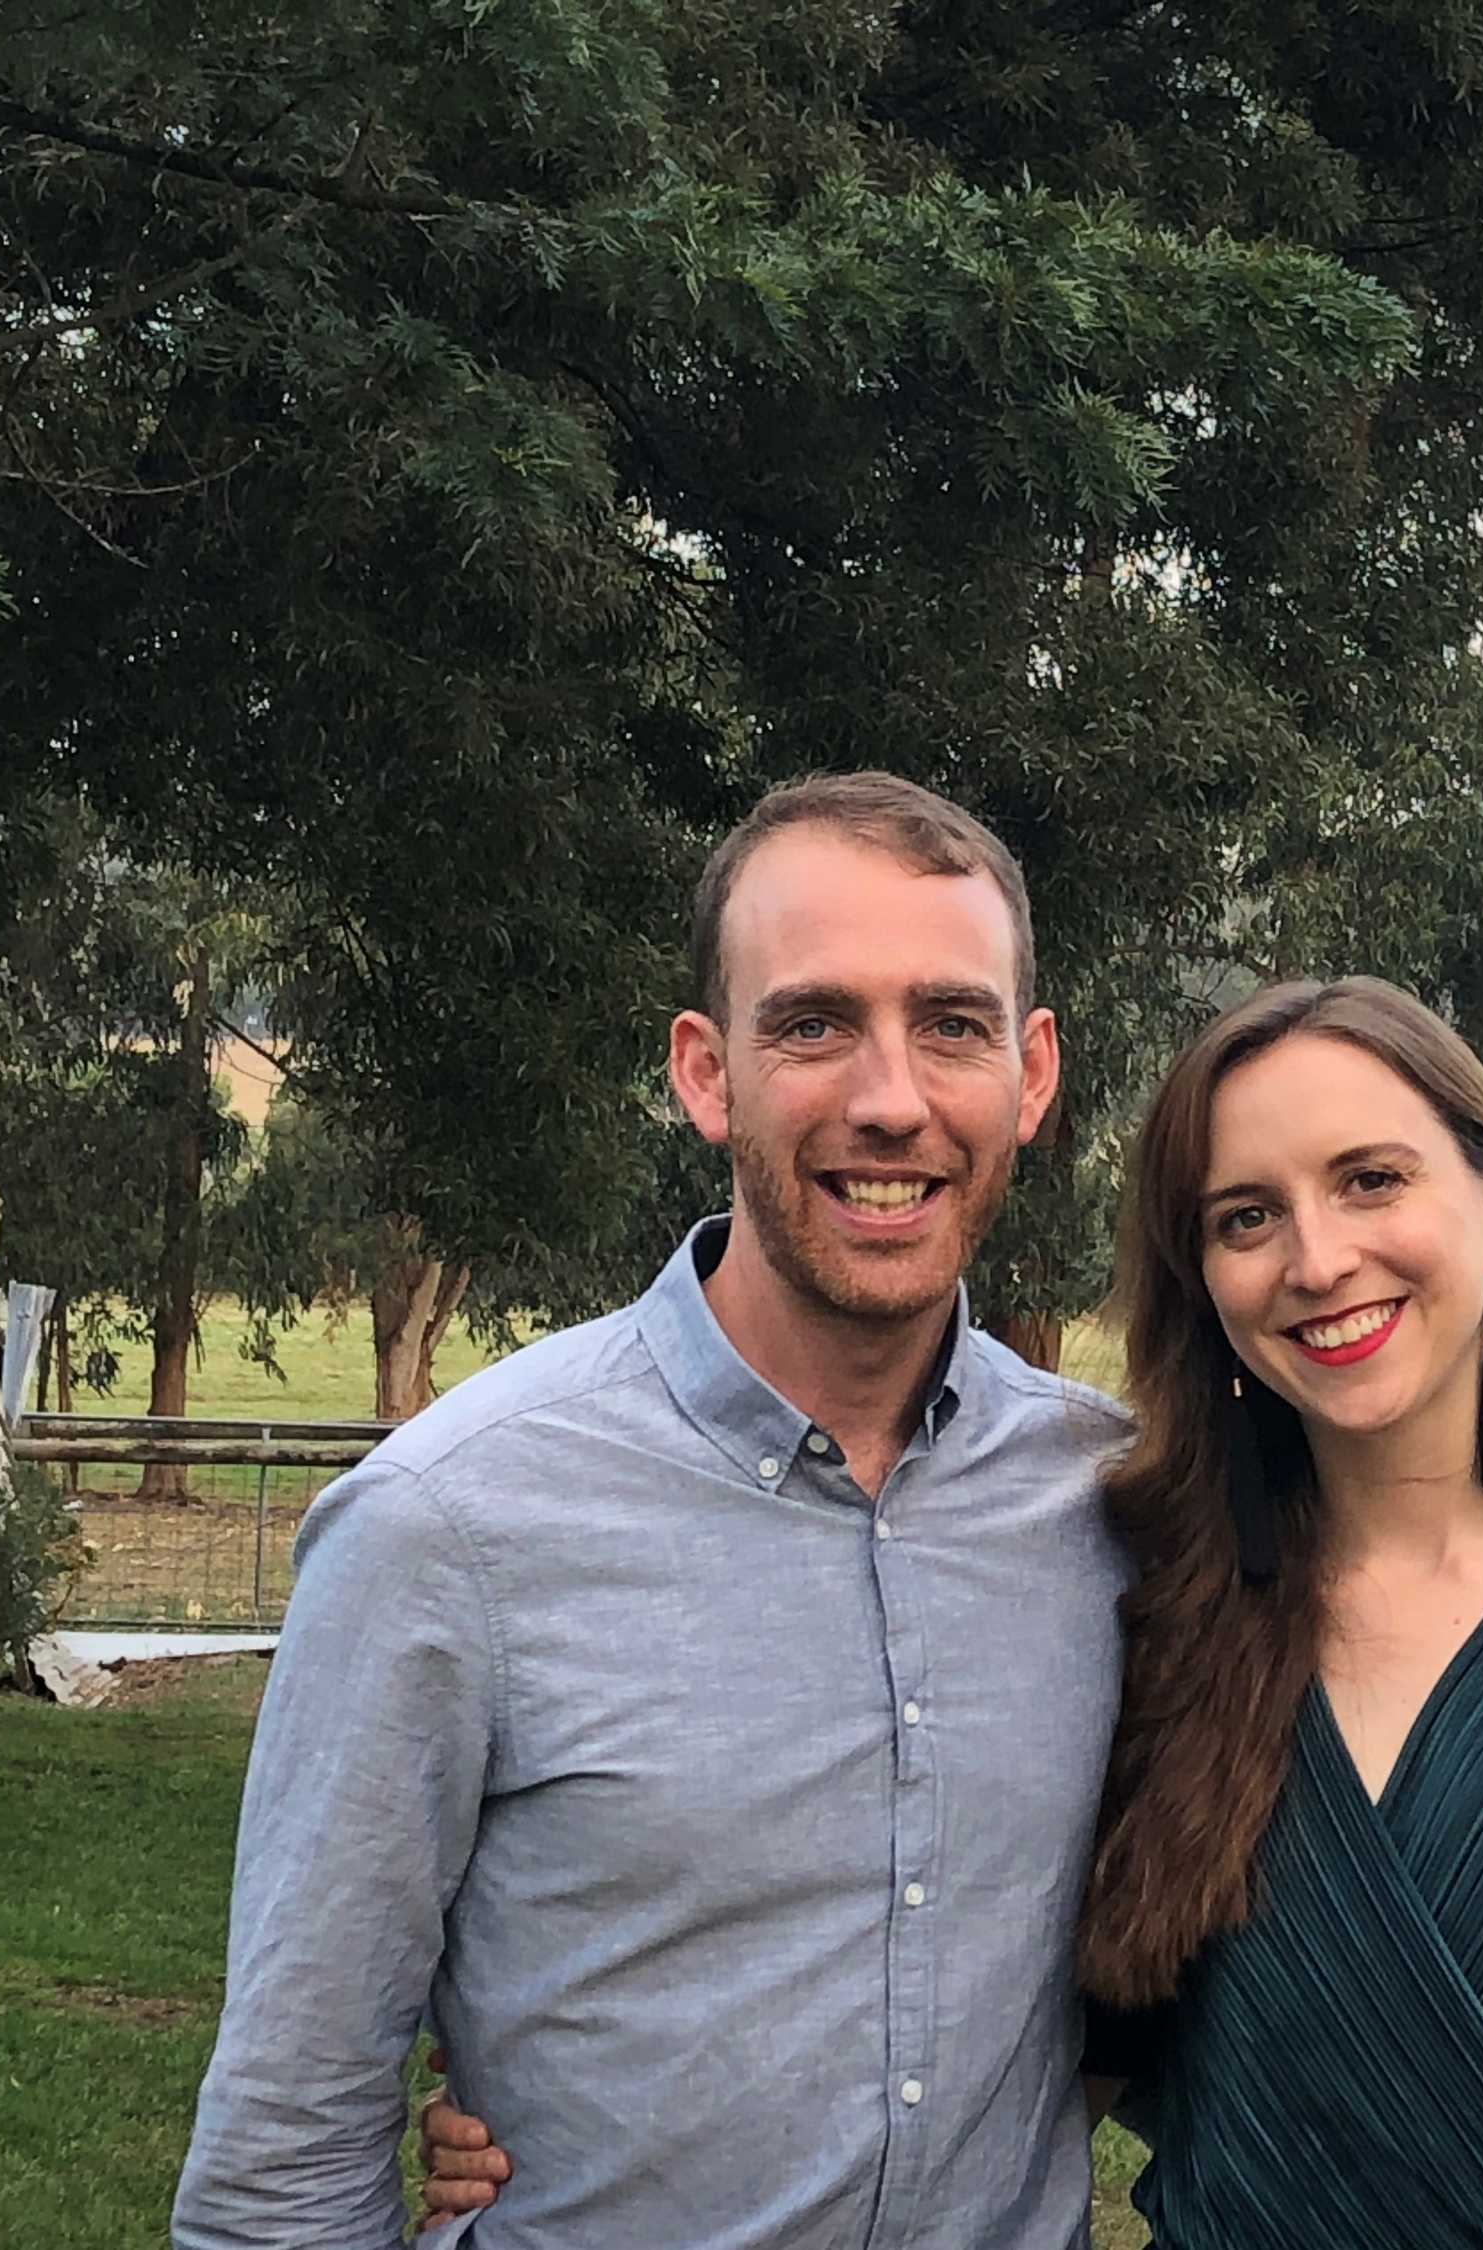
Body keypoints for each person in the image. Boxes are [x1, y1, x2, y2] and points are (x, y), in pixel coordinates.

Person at [429, 975, 1483, 2247]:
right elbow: (986, 2052)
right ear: (1204, 1280)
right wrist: (592, 2129)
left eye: (1371, 1179)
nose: (1317, 1259)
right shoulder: (1154, 1615)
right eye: (1245, 1215)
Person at [173, 772, 1133, 2249]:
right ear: (706, 1073)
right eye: (813, 1025)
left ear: (1033, 1071)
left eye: (953, 1023)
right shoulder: (448, 1526)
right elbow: (283, 2161)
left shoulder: (1115, 1502)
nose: (892, 1099)